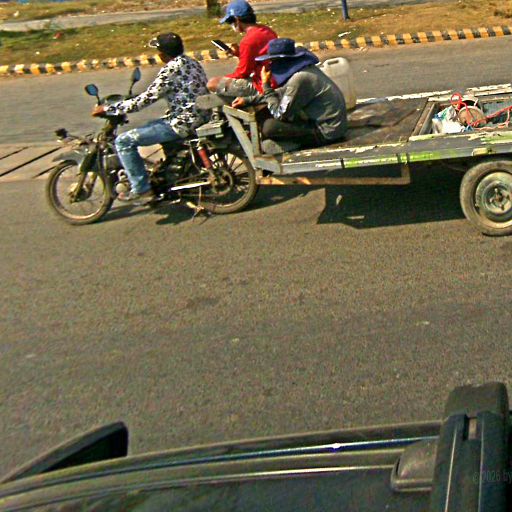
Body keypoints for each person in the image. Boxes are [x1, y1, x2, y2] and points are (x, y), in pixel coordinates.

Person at [92, 33, 208, 202]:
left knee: (123, 141)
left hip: (182, 123)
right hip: (199, 117)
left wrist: (109, 109)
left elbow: (145, 100)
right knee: (152, 124)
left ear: (163, 54)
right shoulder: (192, 62)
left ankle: (141, 188)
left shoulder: (171, 69)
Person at [232, 38, 348, 153]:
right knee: (266, 114)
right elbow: (283, 92)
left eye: (273, 61)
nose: (271, 65)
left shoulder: (300, 78)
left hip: (327, 132)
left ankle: (290, 146)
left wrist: (266, 85)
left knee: (269, 126)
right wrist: (248, 100)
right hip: (331, 125)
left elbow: (279, 114)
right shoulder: (305, 72)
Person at [207, 0, 277, 98]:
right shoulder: (267, 30)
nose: (231, 25)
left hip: (262, 84)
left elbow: (242, 73)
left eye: (230, 22)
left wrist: (223, 78)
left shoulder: (248, 41)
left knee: (212, 83)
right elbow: (258, 56)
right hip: (274, 77)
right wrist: (239, 53)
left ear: (237, 20)